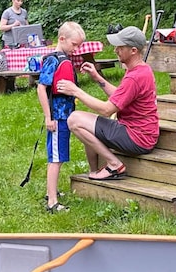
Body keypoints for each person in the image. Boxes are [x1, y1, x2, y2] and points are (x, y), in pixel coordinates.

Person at [55, 25, 158, 180]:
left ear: (133, 51)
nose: (115, 50)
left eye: (120, 47)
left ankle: (115, 165)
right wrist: (97, 77)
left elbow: (106, 110)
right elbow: (120, 95)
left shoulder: (135, 77)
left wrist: (75, 90)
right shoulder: (141, 69)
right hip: (141, 133)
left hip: (137, 137)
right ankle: (94, 170)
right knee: (86, 124)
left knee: (75, 120)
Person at [37, 21, 86, 213]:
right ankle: (52, 202)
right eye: (74, 45)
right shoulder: (53, 60)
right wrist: (48, 117)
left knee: (60, 156)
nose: (76, 49)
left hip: (66, 115)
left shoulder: (64, 58)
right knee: (56, 158)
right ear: (62, 39)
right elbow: (41, 88)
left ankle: (52, 191)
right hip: (57, 118)